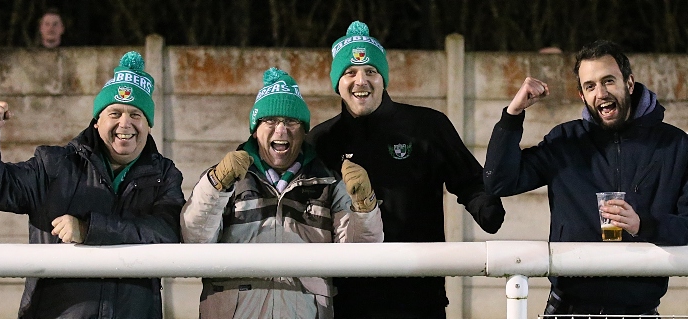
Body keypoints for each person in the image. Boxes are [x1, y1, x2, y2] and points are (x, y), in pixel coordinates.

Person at [307, 21, 507, 319]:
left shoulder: (427, 126)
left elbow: (468, 180)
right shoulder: (321, 141)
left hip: (418, 295)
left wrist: (485, 206)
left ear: (383, 79)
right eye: (350, 72)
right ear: (337, 82)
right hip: (347, 298)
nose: (361, 81)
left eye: (371, 72)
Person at [483, 39, 688, 315]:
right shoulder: (565, 140)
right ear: (582, 95)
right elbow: (500, 182)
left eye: (609, 81)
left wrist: (644, 224)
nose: (601, 93)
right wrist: (513, 114)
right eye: (590, 86)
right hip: (568, 307)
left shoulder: (675, 145)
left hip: (639, 309)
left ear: (629, 83)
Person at [0, 51, 185, 318]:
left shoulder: (166, 176)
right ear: (97, 121)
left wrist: (88, 229)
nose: (124, 123)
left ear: (148, 124)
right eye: (114, 112)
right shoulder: (53, 165)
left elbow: (168, 233)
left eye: (136, 115)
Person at [181, 67, 384, 319]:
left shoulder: (328, 182)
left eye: (291, 121)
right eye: (270, 121)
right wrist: (216, 185)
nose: (281, 130)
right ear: (255, 129)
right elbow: (195, 240)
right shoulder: (225, 178)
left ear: (304, 131)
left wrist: (365, 205)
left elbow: (360, 256)